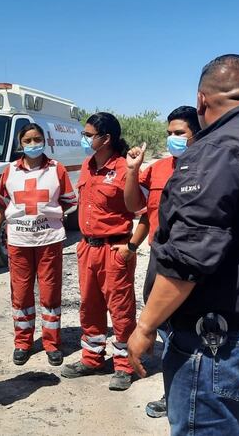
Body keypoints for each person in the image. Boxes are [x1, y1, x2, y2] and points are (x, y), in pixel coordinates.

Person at [127, 54, 239, 435]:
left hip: (216, 345)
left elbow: (190, 255)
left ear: (201, 101)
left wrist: (146, 326)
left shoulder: (221, 148)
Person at [123, 105, 201, 418]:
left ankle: (188, 398)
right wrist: (131, 170)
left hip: (191, 261)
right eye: (169, 133)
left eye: (179, 133)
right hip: (160, 256)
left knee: (189, 331)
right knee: (166, 329)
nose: (172, 139)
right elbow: (134, 206)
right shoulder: (157, 168)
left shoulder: (209, 168)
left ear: (196, 134)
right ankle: (173, 395)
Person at [60, 111, 145, 391]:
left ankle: (124, 365)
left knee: (120, 309)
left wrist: (130, 248)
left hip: (114, 249)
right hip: (88, 248)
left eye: (88, 134)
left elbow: (137, 208)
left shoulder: (124, 168)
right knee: (90, 305)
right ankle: (92, 358)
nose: (84, 139)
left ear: (106, 138)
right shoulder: (87, 165)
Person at [0, 123, 76, 367]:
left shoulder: (56, 169)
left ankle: (52, 343)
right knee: (21, 293)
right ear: (20, 142)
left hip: (50, 240)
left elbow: (68, 200)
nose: (33, 144)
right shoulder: (10, 171)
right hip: (19, 241)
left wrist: (52, 214)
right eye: (28, 140)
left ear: (44, 141)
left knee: (50, 292)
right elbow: (1, 204)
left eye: (37, 139)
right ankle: (23, 343)